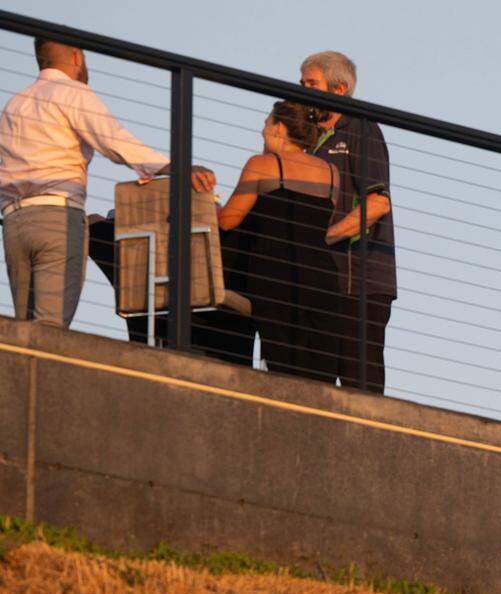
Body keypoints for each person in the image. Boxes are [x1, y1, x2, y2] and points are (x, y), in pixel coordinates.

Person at [0, 38, 214, 328]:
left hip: (14, 221)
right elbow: (115, 141)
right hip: (57, 216)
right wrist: (176, 168)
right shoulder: (72, 92)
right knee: (49, 329)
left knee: (22, 330)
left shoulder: (14, 104)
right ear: (76, 57)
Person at [211, 101, 341, 381]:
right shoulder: (332, 173)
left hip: (276, 277)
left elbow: (228, 220)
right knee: (317, 372)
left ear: (280, 128)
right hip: (323, 279)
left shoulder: (262, 165)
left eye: (267, 122)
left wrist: (209, 206)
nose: (262, 129)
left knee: (282, 369)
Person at [300, 50, 396, 394]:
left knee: (361, 384)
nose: (303, 90)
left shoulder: (361, 127)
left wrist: (324, 236)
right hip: (323, 278)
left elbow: (378, 202)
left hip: (362, 281)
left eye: (311, 83)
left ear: (339, 89)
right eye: (301, 83)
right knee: (315, 383)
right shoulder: (308, 139)